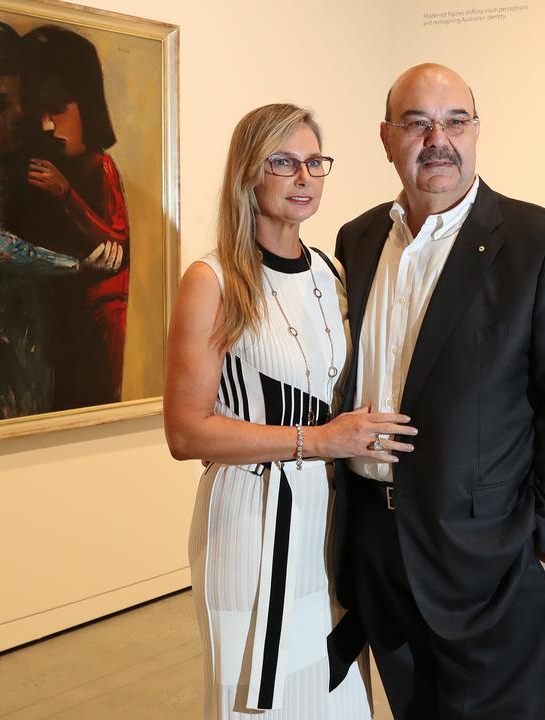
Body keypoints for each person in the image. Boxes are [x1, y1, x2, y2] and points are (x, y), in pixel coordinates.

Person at [329, 64, 545, 719]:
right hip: (376, 548)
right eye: (417, 122)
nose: (438, 138)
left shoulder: (544, 247)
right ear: (386, 137)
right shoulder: (360, 239)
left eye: (455, 120)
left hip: (491, 564)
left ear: (477, 130)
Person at [163, 103, 416, 718]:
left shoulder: (332, 272)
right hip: (253, 516)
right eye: (283, 162)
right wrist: (319, 441)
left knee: (335, 687)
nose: (303, 177)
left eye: (314, 162)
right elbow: (185, 431)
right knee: (262, 695)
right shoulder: (214, 279)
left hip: (328, 518)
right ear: (249, 173)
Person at [0, 11, 116, 423]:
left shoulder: (25, 166)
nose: (21, 115)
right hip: (2, 350)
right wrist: (74, 264)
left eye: (24, 101)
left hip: (35, 342)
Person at [19, 25, 131, 410]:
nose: (48, 124)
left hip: (100, 317)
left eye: (60, 109)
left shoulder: (101, 167)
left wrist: (67, 197)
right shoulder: (39, 168)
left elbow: (116, 245)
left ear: (86, 104)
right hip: (56, 313)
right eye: (41, 112)